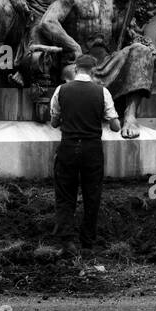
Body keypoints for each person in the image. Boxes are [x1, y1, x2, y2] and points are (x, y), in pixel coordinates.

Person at [36, 0, 155, 138]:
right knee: (78, 79)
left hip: (107, 60)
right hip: (79, 63)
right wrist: (73, 45)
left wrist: (133, 2)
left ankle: (130, 116)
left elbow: (116, 27)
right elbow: (47, 22)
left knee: (141, 51)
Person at [49, 54, 121, 256]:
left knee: (65, 194)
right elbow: (115, 126)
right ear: (94, 70)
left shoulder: (61, 90)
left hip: (69, 146)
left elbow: (54, 122)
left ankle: (67, 242)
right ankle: (87, 243)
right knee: (92, 195)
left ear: (75, 69)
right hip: (92, 149)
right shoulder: (102, 92)